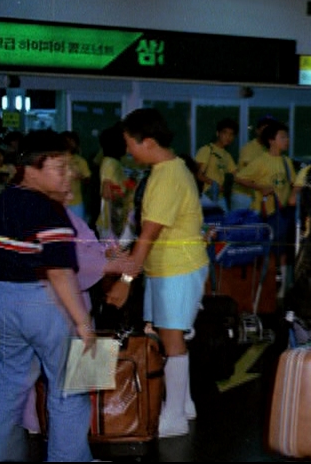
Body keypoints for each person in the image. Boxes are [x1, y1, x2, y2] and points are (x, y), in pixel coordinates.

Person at [0, 129, 95, 461]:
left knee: (8, 387)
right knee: (68, 389)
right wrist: (83, 322)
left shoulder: (2, 199)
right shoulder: (49, 210)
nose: (70, 175)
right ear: (34, 166)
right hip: (44, 300)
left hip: (3, 298)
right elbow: (60, 272)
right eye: (61, 167)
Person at [105, 107, 209, 438]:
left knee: (172, 339)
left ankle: (175, 417)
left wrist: (125, 281)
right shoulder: (166, 171)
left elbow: (148, 234)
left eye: (129, 144)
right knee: (168, 335)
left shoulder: (167, 177)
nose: (127, 152)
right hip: (168, 268)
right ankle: (185, 404)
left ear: (148, 142)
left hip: (177, 268)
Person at [21, 184, 137, 435]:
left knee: (54, 382)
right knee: (71, 386)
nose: (71, 188)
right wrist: (109, 264)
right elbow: (71, 260)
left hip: (57, 302)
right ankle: (76, 442)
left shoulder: (57, 212)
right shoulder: (48, 216)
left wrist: (106, 253)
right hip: (62, 306)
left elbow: (87, 247)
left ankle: (49, 430)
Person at [234, 120, 296, 298]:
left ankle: (281, 290)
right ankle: (264, 288)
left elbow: (292, 184)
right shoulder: (261, 161)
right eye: (282, 137)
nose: (287, 140)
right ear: (271, 140)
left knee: (282, 251)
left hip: (282, 213)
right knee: (267, 253)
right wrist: (260, 188)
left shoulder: (286, 161)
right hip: (265, 214)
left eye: (287, 137)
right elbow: (239, 178)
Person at [96, 122, 137, 244]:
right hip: (113, 223)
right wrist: (128, 189)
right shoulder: (109, 162)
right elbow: (107, 192)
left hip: (119, 220)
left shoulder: (116, 162)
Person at [230, 115, 275, 210]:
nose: (267, 133)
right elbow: (241, 178)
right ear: (257, 131)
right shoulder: (248, 149)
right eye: (264, 129)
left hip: (260, 198)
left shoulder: (271, 150)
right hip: (243, 196)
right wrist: (262, 187)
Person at [195, 117, 239, 212]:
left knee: (224, 223)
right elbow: (198, 174)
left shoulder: (227, 155)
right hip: (206, 197)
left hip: (220, 197)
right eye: (225, 133)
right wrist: (215, 185)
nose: (228, 137)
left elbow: (237, 176)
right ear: (218, 133)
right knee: (210, 225)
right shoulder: (207, 150)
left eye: (231, 134)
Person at [61, 130, 92, 222]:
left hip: (76, 202)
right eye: (67, 141)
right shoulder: (57, 160)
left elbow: (88, 179)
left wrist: (80, 176)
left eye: (72, 141)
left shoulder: (80, 161)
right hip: (59, 201)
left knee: (79, 231)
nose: (70, 144)